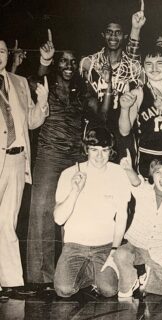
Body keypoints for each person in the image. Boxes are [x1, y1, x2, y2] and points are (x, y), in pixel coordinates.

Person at [26, 30, 95, 287]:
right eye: (63, 60)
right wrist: (44, 62)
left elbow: (100, 112)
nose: (68, 65)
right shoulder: (46, 84)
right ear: (57, 63)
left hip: (75, 156)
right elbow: (33, 80)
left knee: (74, 213)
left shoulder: (81, 89)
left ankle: (71, 274)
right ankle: (39, 277)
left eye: (72, 61)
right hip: (48, 155)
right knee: (42, 213)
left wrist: (108, 86)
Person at [53, 127, 131, 298]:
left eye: (105, 150)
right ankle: (89, 272)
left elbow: (122, 216)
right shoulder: (70, 173)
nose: (99, 156)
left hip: (105, 246)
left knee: (109, 291)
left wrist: (114, 249)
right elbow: (59, 219)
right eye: (94, 150)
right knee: (64, 289)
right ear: (86, 149)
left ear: (111, 151)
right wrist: (75, 191)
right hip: (75, 245)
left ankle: (97, 273)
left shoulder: (118, 173)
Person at [0, 38, 49, 296]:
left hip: (17, 160)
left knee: (7, 221)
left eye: (2, 51)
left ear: (8, 55)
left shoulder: (18, 82)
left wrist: (42, 103)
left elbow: (31, 121)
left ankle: (11, 282)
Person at [114, 157, 162, 298]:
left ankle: (145, 280)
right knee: (121, 254)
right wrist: (128, 169)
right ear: (152, 175)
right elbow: (135, 182)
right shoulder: (144, 189)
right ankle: (128, 282)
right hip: (135, 246)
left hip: (158, 250)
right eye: (158, 172)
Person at [79, 7, 144, 159]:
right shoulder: (89, 63)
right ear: (103, 34)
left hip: (122, 128)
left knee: (123, 176)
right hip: (95, 128)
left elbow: (134, 53)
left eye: (118, 32)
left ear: (125, 35)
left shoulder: (133, 67)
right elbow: (85, 99)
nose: (113, 36)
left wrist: (136, 28)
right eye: (109, 31)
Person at [119, 46, 162, 179]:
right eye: (149, 64)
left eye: (159, 63)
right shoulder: (138, 94)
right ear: (143, 68)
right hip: (148, 157)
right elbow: (124, 131)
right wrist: (124, 108)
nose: (154, 68)